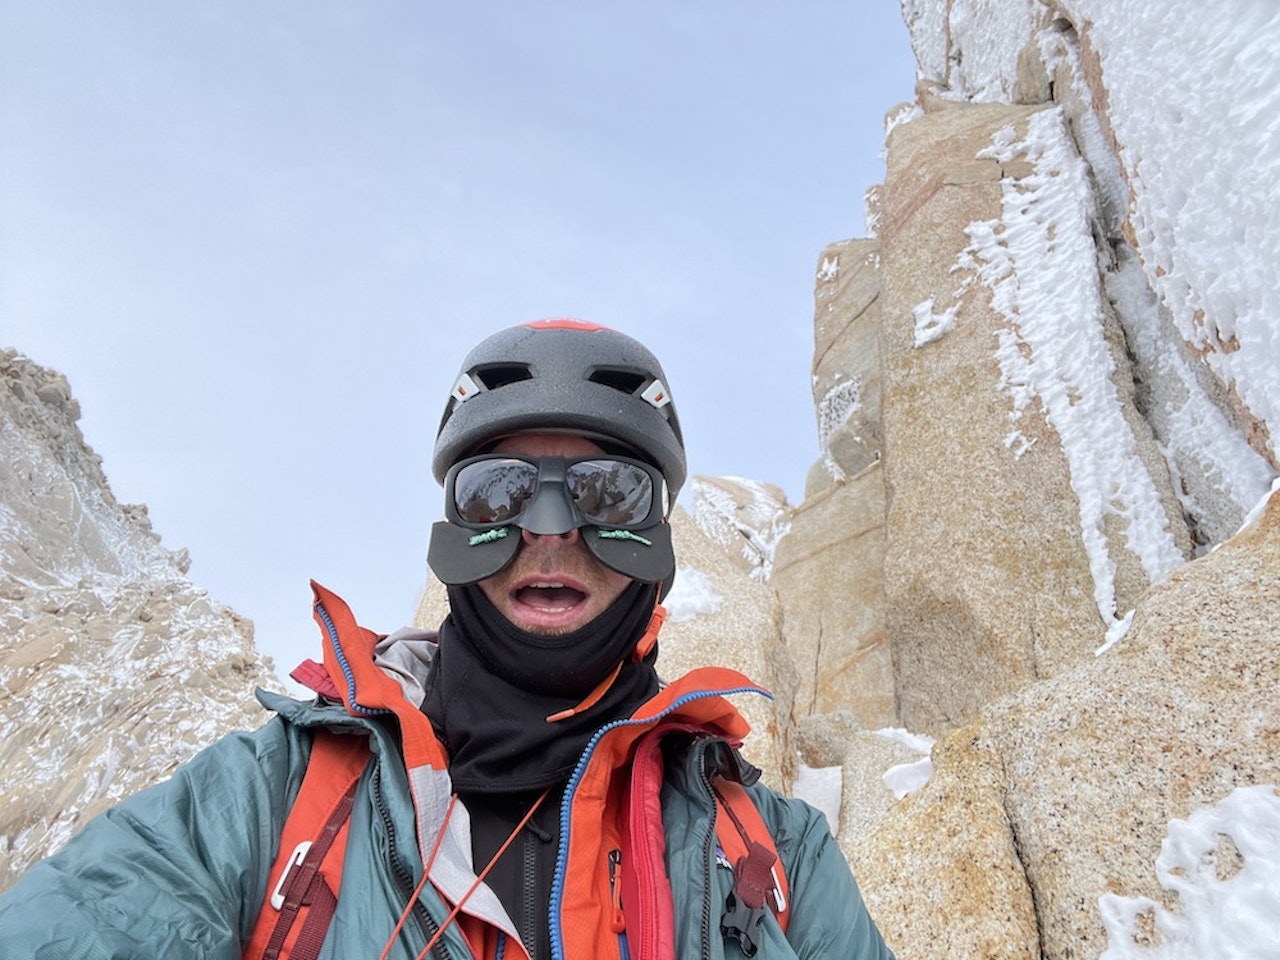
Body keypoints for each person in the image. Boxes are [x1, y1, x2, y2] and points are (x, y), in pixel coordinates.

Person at [0, 319, 894, 959]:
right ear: (455, 528)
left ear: (656, 544)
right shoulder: (268, 801)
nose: (551, 531)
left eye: (608, 493)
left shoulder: (776, 855)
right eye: (498, 492)